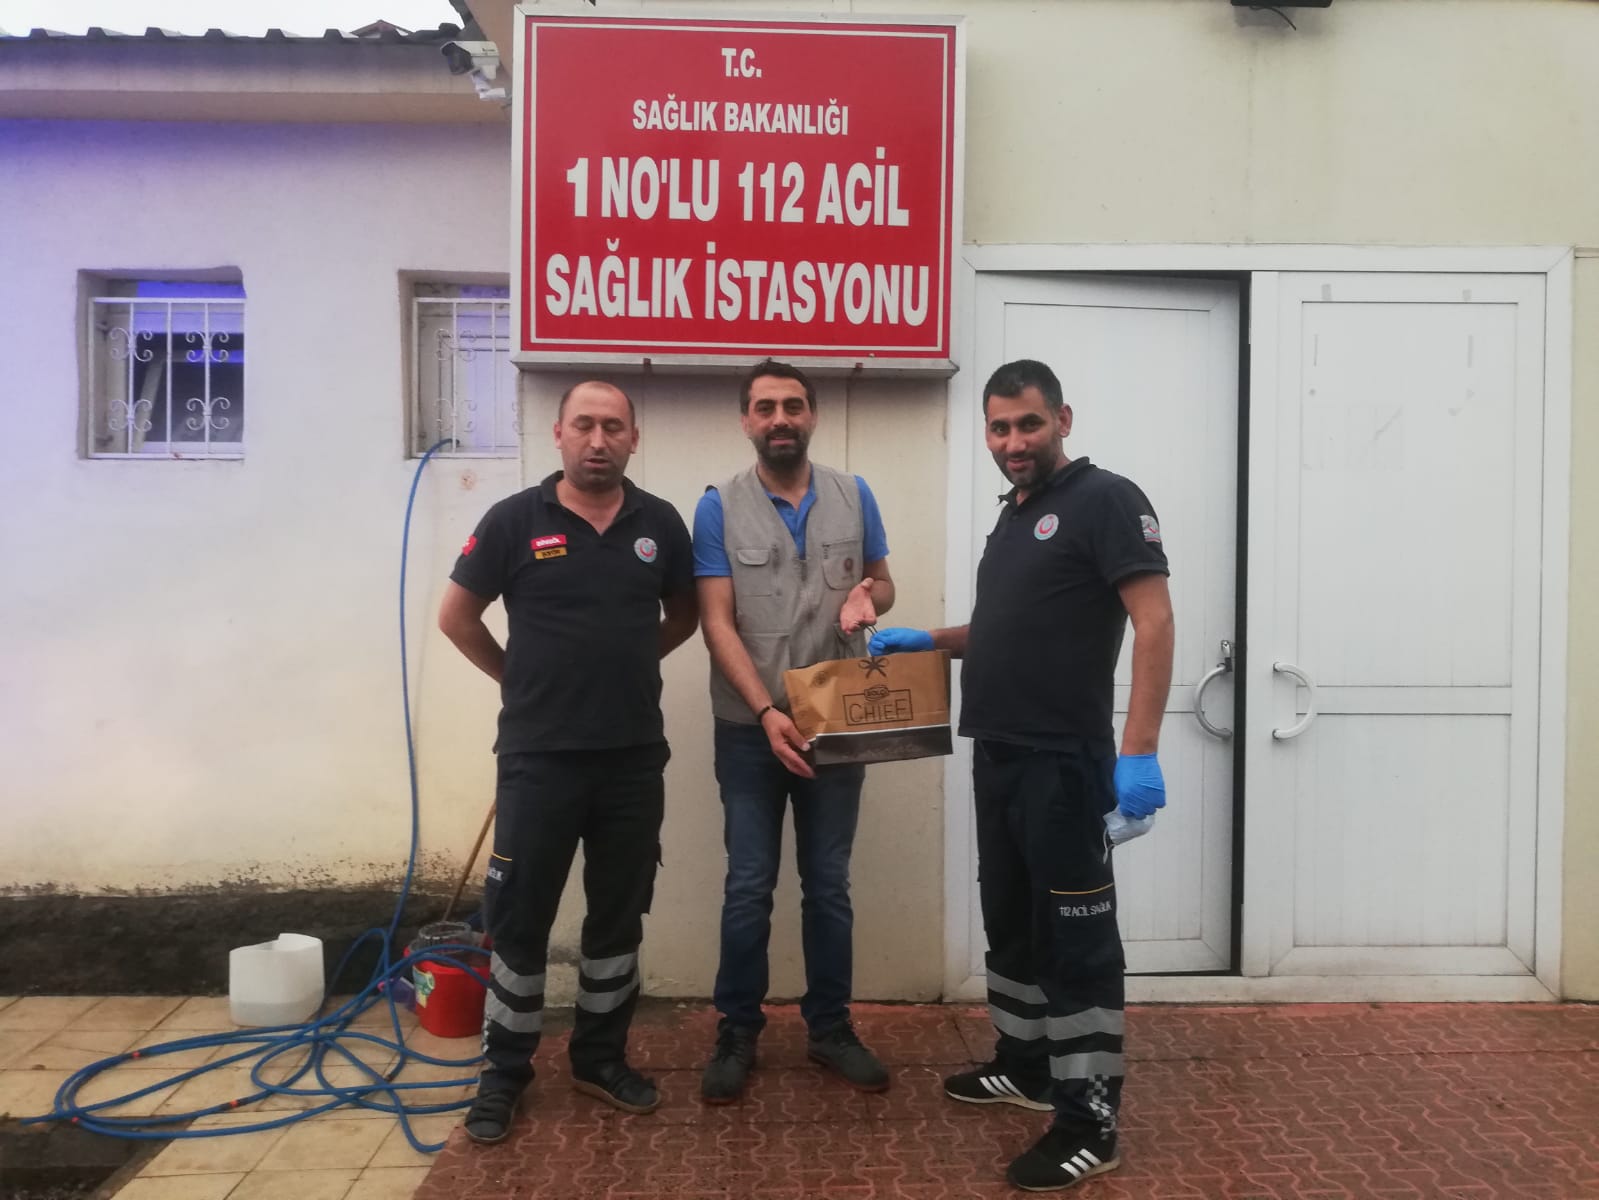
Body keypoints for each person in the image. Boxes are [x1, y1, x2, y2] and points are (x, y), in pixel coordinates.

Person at [870, 358, 1174, 1191]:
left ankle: (1089, 1122)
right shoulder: (1014, 515)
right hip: (998, 752)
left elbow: (1153, 623)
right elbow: (1006, 628)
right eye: (999, 428)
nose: (1012, 441)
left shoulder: (1106, 499)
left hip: (1064, 764)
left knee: (1075, 944)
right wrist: (930, 641)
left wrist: (1138, 749)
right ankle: (1027, 1066)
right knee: (1011, 923)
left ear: (1061, 420)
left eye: (1028, 424)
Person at [437, 380, 698, 1144]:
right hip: (538, 761)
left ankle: (599, 1059)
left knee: (617, 918)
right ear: (558, 433)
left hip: (631, 762)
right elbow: (456, 616)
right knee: (519, 921)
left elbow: (684, 614)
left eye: (613, 426)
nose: (598, 439)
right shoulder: (514, 520)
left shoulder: (660, 524)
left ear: (633, 438)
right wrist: (517, 678)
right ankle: (503, 1075)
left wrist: (630, 662)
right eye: (584, 424)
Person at [694, 359, 898, 1103]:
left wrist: (868, 597)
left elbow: (883, 581)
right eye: (765, 407)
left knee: (829, 886)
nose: (779, 418)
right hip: (749, 728)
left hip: (835, 719)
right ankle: (737, 1031)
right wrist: (766, 711)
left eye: (792, 406)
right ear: (746, 421)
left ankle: (830, 1029)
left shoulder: (855, 493)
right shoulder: (717, 506)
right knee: (749, 886)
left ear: (811, 415)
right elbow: (716, 622)